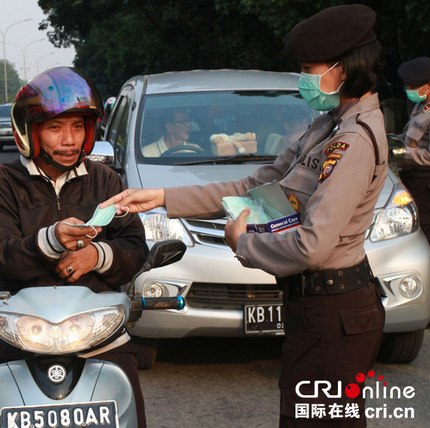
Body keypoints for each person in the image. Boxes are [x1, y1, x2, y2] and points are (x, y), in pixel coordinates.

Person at [103, 5, 387, 427]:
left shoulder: (354, 141)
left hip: (335, 311)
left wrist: (243, 243)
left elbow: (313, 244)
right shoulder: (325, 127)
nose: (306, 80)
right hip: (314, 307)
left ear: (343, 69)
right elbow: (251, 188)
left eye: (310, 69)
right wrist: (162, 196)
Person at [0, 67, 149, 426]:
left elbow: (135, 246)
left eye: (77, 127)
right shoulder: (0, 183)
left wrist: (96, 256)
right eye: (56, 127)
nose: (69, 140)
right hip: (18, 329)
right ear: (30, 131)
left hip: (97, 330)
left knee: (130, 401)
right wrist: (52, 239)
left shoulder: (105, 179)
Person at [394, 57, 430, 240]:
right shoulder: (420, 106)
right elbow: (408, 136)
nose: (409, 91)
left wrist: (403, 153)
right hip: (413, 180)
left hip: (425, 182)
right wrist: (392, 142)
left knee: (425, 230)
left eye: (413, 87)